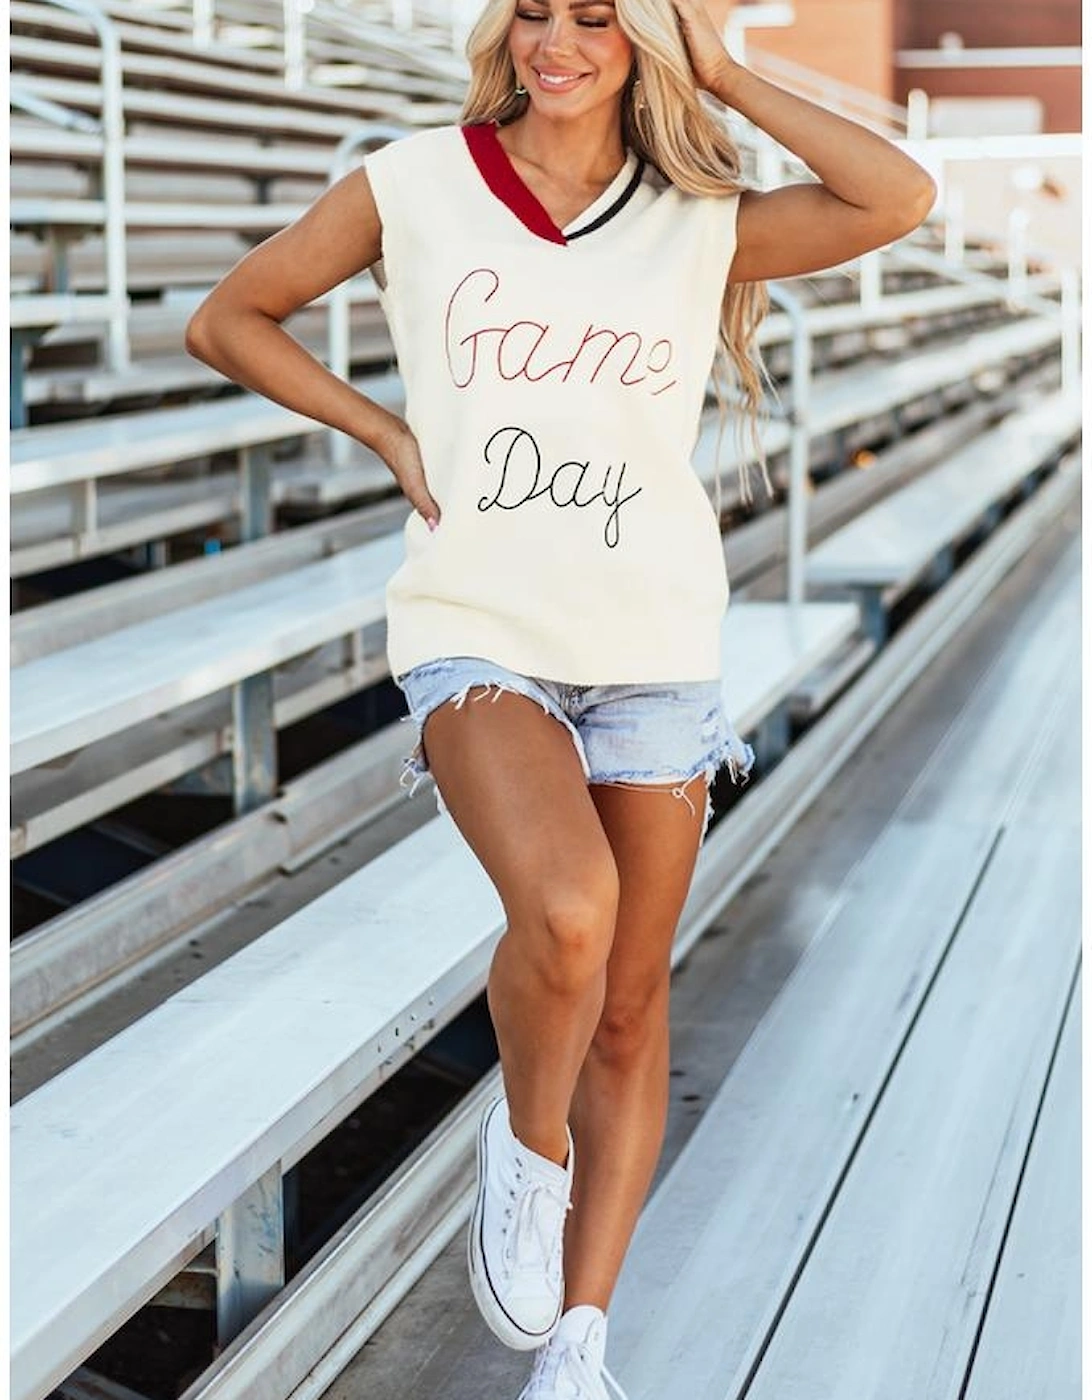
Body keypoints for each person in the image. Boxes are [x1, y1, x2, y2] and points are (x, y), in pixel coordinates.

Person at [184, 0, 935, 1393]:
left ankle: (578, 1347)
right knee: (570, 912)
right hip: (480, 628)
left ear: (640, 35)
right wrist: (387, 428)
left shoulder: (694, 218)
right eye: (535, 8)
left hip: (653, 640)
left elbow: (897, 193)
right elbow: (230, 318)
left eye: (598, 15)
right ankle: (529, 1150)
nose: (558, 40)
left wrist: (720, 67)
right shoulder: (413, 182)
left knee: (635, 1004)